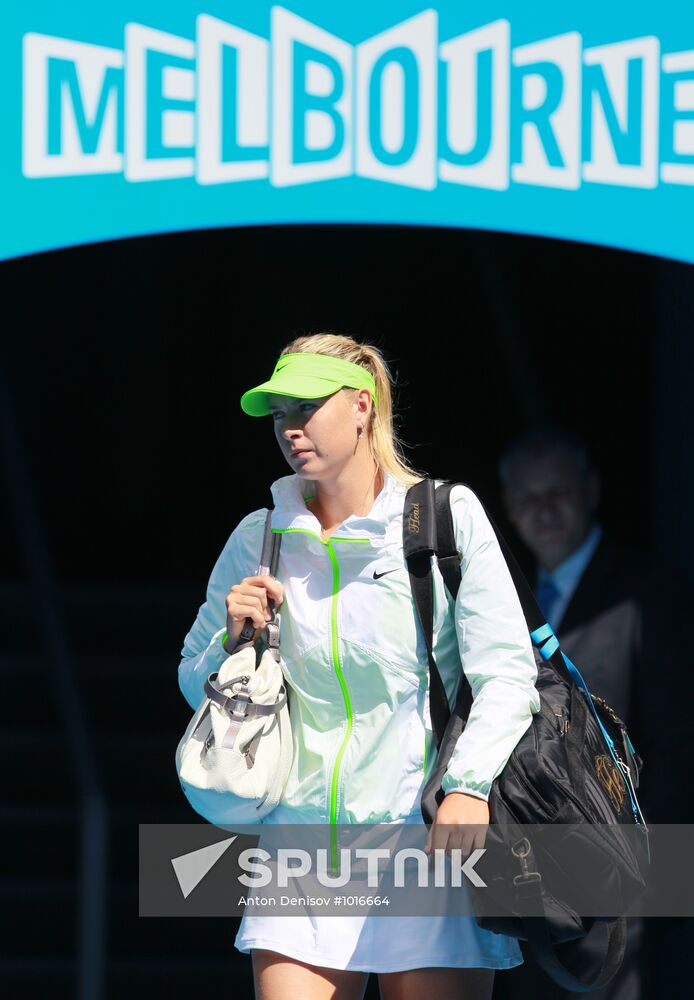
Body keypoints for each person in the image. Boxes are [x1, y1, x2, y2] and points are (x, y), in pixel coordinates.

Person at [178, 334, 541, 1000]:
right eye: (279, 409)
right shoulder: (258, 538)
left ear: (363, 407)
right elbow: (190, 676)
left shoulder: (444, 519)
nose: (290, 425)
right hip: (300, 852)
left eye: (309, 404)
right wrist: (232, 642)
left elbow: (508, 675)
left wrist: (469, 784)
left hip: (425, 845)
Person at [493, 426, 694, 1000]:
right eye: (528, 498)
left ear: (590, 490)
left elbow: (681, 741)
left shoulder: (649, 594)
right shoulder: (505, 600)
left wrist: (649, 865)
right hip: (527, 877)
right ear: (509, 506)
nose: (543, 509)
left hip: (623, 877)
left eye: (556, 492)